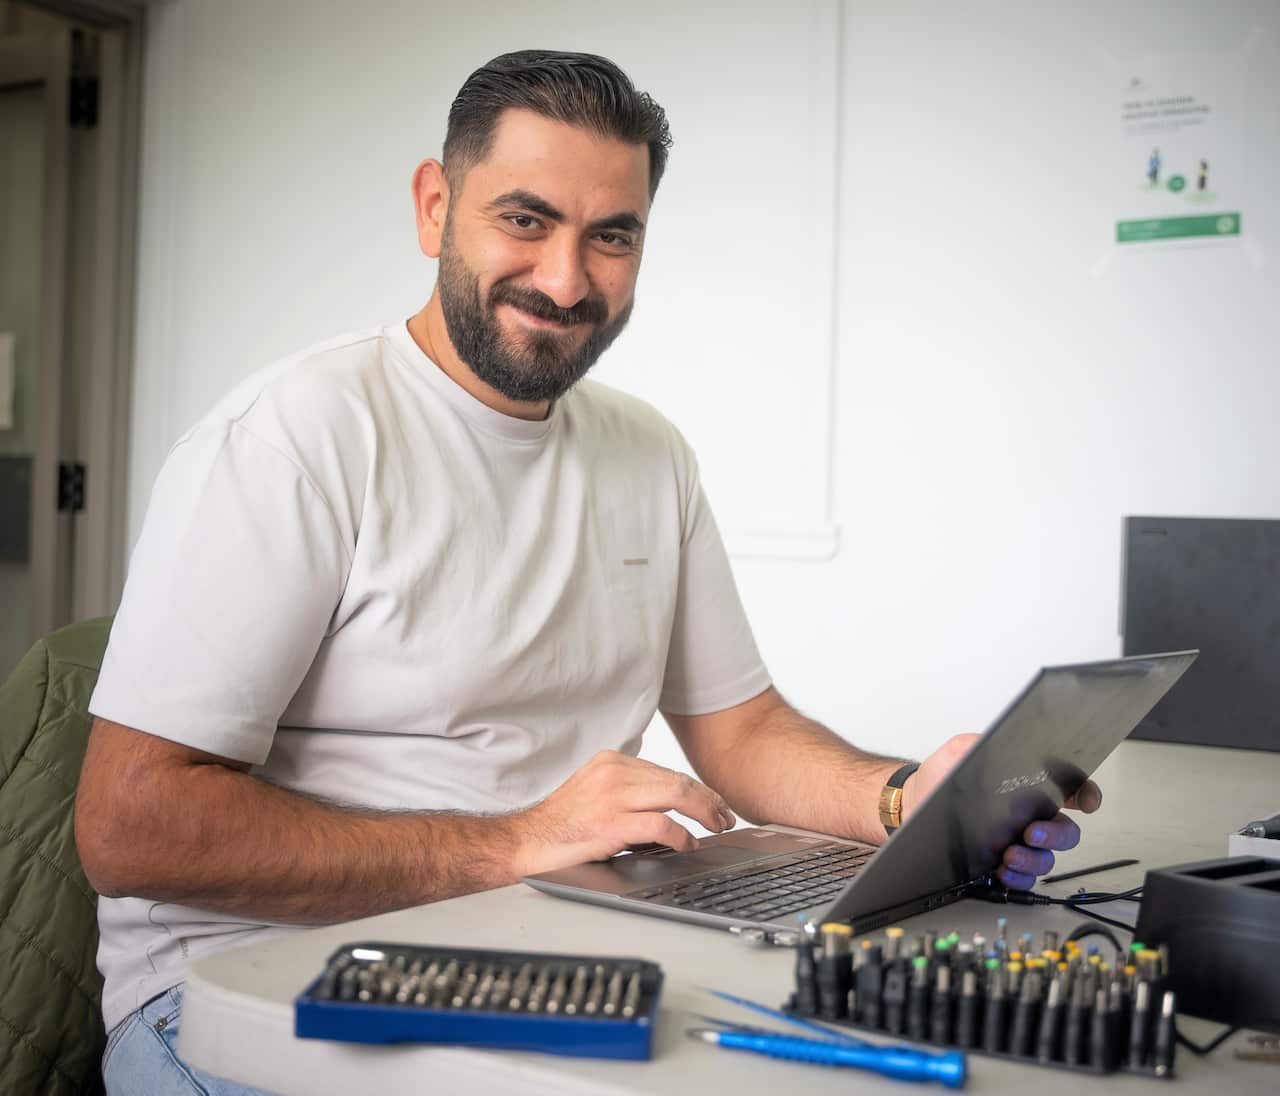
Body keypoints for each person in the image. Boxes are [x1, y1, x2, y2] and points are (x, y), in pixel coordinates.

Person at [75, 50, 1099, 1094]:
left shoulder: (647, 451)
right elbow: (129, 826)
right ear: (434, 207)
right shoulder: (296, 436)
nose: (567, 281)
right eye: (523, 220)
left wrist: (905, 801)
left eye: (609, 237)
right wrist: (513, 844)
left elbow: (740, 732)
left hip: (541, 952)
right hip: (237, 997)